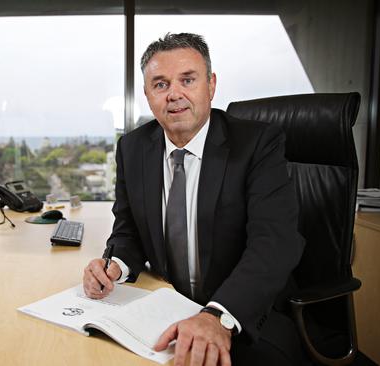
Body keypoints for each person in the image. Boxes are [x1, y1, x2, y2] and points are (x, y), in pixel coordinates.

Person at [82, 33, 307, 366]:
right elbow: (129, 229)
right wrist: (115, 266)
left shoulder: (258, 144)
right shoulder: (132, 148)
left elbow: (274, 243)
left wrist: (217, 316)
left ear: (211, 85)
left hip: (243, 310)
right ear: (147, 95)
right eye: (160, 84)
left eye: (187, 80)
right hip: (166, 304)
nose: (174, 94)